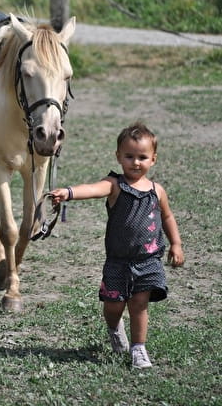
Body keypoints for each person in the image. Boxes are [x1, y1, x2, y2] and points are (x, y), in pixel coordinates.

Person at [51, 122, 184, 369]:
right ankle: (114, 327)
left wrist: (176, 243)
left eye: (142, 157)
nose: (135, 162)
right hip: (118, 261)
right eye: (129, 156)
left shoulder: (157, 191)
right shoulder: (114, 185)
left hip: (148, 260)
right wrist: (68, 192)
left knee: (139, 304)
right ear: (118, 157)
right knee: (113, 306)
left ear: (153, 159)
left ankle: (139, 349)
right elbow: (92, 189)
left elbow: (167, 217)